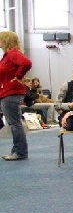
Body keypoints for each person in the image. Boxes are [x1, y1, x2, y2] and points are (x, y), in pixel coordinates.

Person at [0, 31, 32, 161]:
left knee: (15, 123)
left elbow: (27, 63)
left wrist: (18, 76)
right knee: (14, 123)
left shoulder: (13, 54)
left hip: (11, 93)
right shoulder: (8, 55)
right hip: (7, 92)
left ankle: (20, 152)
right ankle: (17, 150)